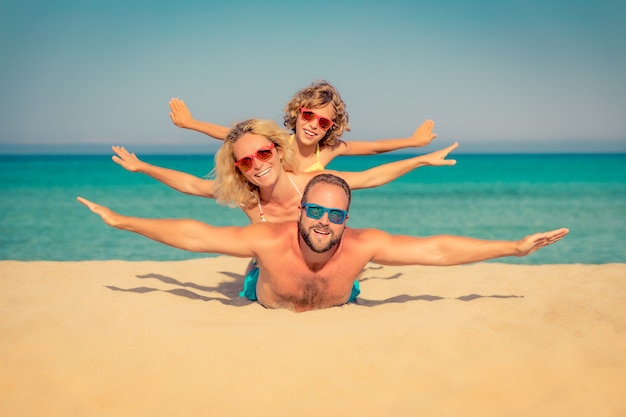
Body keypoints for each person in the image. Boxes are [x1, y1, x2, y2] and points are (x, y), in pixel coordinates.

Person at [77, 173, 569, 313]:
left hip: (341, 294)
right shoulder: (270, 239)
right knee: (251, 266)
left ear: (346, 218)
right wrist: (123, 222)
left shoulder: (361, 242)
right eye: (315, 211)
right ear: (302, 210)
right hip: (262, 293)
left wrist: (513, 247)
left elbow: (437, 250)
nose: (324, 221)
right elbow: (195, 235)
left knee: (359, 269)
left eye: (335, 215)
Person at [113, 118, 458, 224]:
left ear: (276, 153)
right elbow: (192, 183)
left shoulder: (310, 174)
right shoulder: (247, 192)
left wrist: (418, 154)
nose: (257, 163)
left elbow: (370, 172)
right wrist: (143, 166)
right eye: (246, 161)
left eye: (264, 154)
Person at [169, 80, 438, 172]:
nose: (313, 126)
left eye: (323, 122)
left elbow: (373, 147)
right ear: (298, 113)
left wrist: (412, 142)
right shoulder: (278, 143)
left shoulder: (330, 150)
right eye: (308, 116)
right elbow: (233, 135)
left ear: (331, 126)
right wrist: (191, 124)